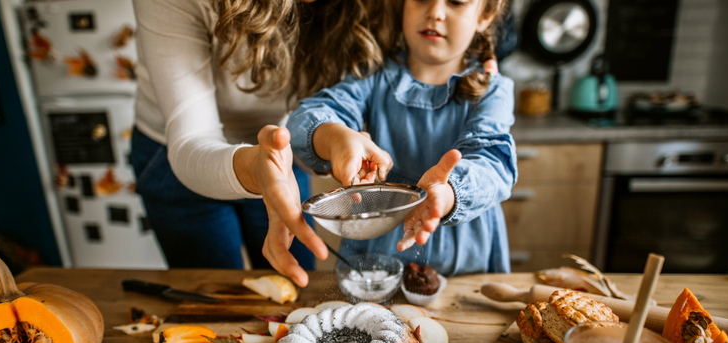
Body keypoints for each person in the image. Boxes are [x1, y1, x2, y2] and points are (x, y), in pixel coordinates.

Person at [129, 0, 394, 286]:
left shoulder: (371, 9)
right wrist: (256, 169)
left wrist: (333, 141)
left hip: (282, 154)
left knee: (293, 285)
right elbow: (191, 140)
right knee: (216, 296)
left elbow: (316, 118)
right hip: (175, 155)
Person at [288, 0, 517, 276]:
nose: (435, 12)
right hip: (377, 253)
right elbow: (306, 120)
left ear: (485, 15)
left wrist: (449, 194)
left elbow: (493, 163)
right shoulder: (373, 75)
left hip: (466, 258)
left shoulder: (494, 90)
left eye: (456, 1)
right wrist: (336, 138)